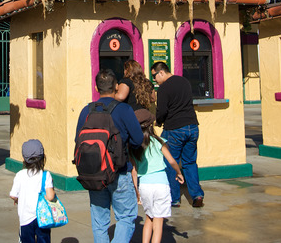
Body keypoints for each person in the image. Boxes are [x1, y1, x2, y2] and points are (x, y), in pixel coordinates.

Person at [76, 69, 143, 243]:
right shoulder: (124, 110)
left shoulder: (86, 111)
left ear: (96, 88)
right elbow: (137, 139)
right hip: (119, 171)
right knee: (126, 217)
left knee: (99, 222)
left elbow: (78, 141)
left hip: (94, 173)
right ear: (116, 86)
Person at [150, 61, 204, 208]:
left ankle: (174, 198)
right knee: (190, 162)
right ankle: (197, 195)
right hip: (192, 127)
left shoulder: (163, 88)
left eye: (155, 76)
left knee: (171, 162)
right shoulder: (184, 81)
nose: (154, 79)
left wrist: (158, 122)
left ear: (161, 72)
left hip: (174, 129)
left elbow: (162, 111)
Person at [129, 109, 184, 243]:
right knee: (158, 224)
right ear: (151, 125)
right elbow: (171, 160)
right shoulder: (159, 141)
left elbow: (134, 171)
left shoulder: (133, 146)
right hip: (161, 185)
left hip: (145, 186)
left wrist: (136, 191)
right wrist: (178, 172)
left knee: (149, 217)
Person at [9, 139, 57, 243]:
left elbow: (13, 195)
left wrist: (17, 199)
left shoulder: (20, 175)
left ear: (24, 159)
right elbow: (50, 196)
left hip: (25, 219)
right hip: (43, 218)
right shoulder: (46, 175)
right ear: (43, 157)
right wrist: (53, 191)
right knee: (43, 240)